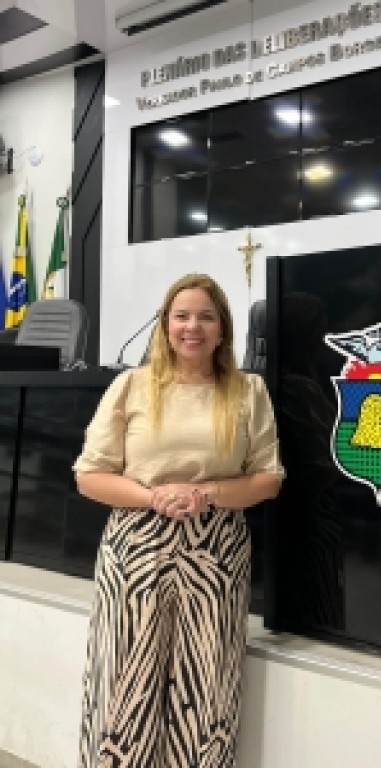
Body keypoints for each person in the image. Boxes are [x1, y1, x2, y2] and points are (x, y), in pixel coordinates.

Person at [73, 273, 284, 768]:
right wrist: (154, 498)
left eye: (206, 317)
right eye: (182, 316)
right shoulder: (131, 385)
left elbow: (268, 479)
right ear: (165, 324)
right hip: (135, 548)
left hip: (217, 552)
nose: (193, 327)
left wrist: (204, 494)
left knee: (207, 690)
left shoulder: (248, 390)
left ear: (222, 328)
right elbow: (89, 475)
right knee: (125, 686)